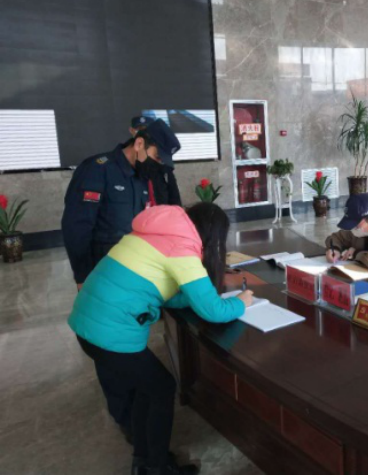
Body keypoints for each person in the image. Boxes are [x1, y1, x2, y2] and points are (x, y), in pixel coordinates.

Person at [69, 203, 254, 475]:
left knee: (147, 389)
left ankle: (144, 462)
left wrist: (192, 298)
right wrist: (242, 301)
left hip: (87, 324)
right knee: (161, 388)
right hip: (110, 333)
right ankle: (156, 467)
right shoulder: (182, 250)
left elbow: (160, 291)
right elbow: (214, 311)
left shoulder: (154, 233)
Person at [62, 118, 181, 442]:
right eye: (156, 156)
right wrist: (82, 276)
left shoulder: (143, 176)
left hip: (130, 277)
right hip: (100, 272)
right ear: (139, 143)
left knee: (127, 339)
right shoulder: (97, 170)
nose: (158, 165)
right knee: (108, 346)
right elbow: (76, 227)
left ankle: (137, 411)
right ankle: (125, 417)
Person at [130, 117, 182, 207]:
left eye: (146, 130)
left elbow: (174, 199)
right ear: (131, 131)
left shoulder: (164, 166)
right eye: (139, 130)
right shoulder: (126, 164)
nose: (142, 133)